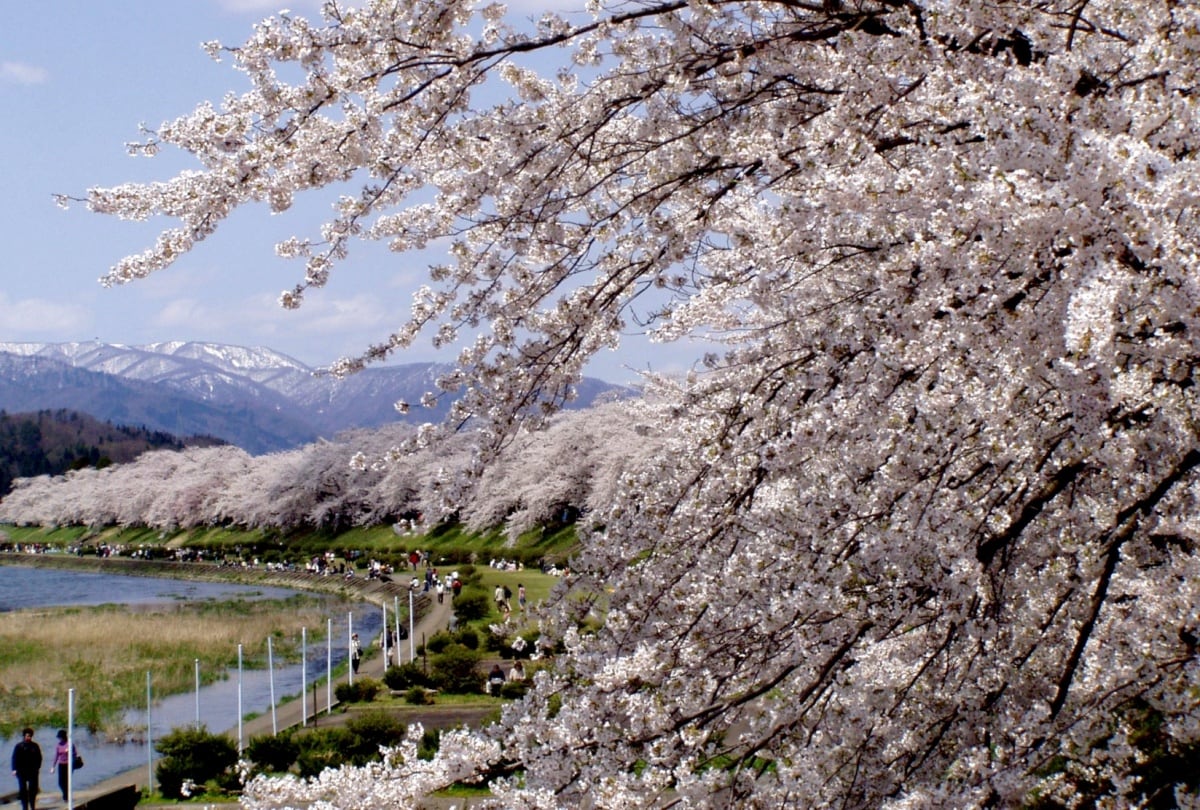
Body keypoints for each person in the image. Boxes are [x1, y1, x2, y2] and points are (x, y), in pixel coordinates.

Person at [11, 727, 41, 810]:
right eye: (27, 736)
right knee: (23, 790)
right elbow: (14, 758)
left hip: (32, 771)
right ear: (24, 736)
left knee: (33, 789)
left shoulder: (35, 746)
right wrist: (14, 769)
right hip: (21, 771)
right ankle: (25, 807)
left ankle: (32, 806)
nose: (29, 738)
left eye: (30, 736)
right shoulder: (19, 746)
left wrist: (37, 767)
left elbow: (39, 758)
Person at [49, 729, 76, 802]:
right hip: (61, 765)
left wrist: (69, 752)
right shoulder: (58, 745)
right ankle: (66, 795)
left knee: (67, 781)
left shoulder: (70, 744)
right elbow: (56, 756)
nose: (59, 739)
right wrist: (53, 767)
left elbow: (75, 754)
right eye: (58, 737)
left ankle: (66, 797)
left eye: (60, 737)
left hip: (69, 765)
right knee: (60, 782)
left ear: (64, 737)